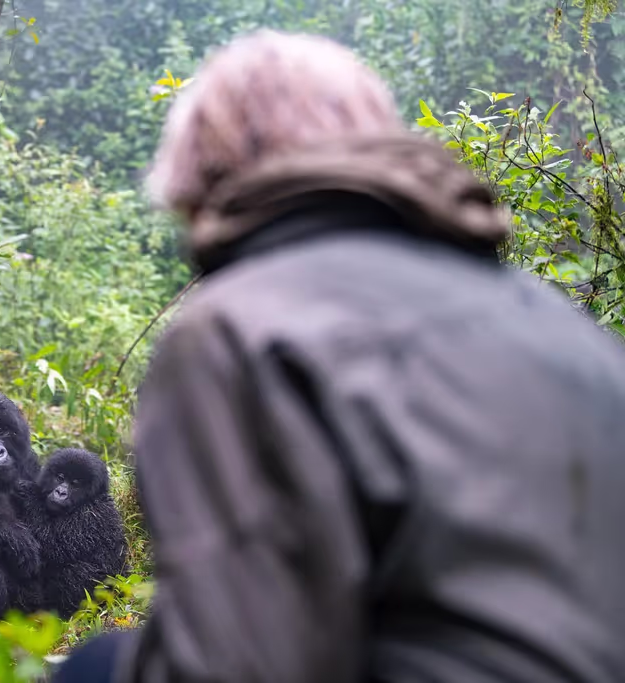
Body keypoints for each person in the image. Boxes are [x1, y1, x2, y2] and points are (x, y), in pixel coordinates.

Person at [53, 29, 625, 683]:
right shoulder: (565, 326)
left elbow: (242, 663)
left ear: (202, 179)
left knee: (92, 669)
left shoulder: (242, 327)